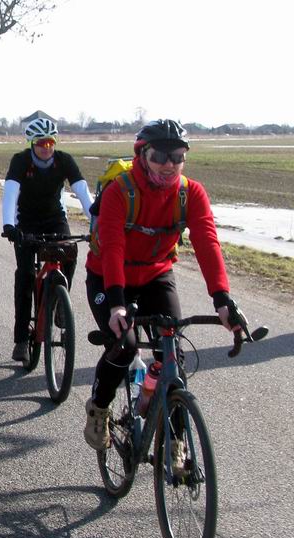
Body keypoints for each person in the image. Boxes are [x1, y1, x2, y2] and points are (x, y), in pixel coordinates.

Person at [83, 119, 244, 452]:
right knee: (124, 344)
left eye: (177, 156)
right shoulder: (120, 191)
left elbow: (207, 242)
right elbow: (112, 247)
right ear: (143, 154)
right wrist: (116, 304)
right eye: (159, 156)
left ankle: (176, 441)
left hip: (156, 274)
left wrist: (222, 298)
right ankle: (99, 406)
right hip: (109, 278)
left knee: (172, 356)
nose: (169, 164)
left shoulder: (191, 193)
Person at [2, 115, 93, 362]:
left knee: (70, 252)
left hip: (54, 218)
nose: (46, 148)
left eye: (51, 142)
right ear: (32, 143)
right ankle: (21, 338)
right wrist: (9, 225)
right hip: (26, 222)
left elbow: (83, 192)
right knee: (25, 275)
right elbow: (10, 192)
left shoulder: (64, 161)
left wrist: (98, 222)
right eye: (41, 143)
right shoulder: (20, 161)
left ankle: (59, 307)